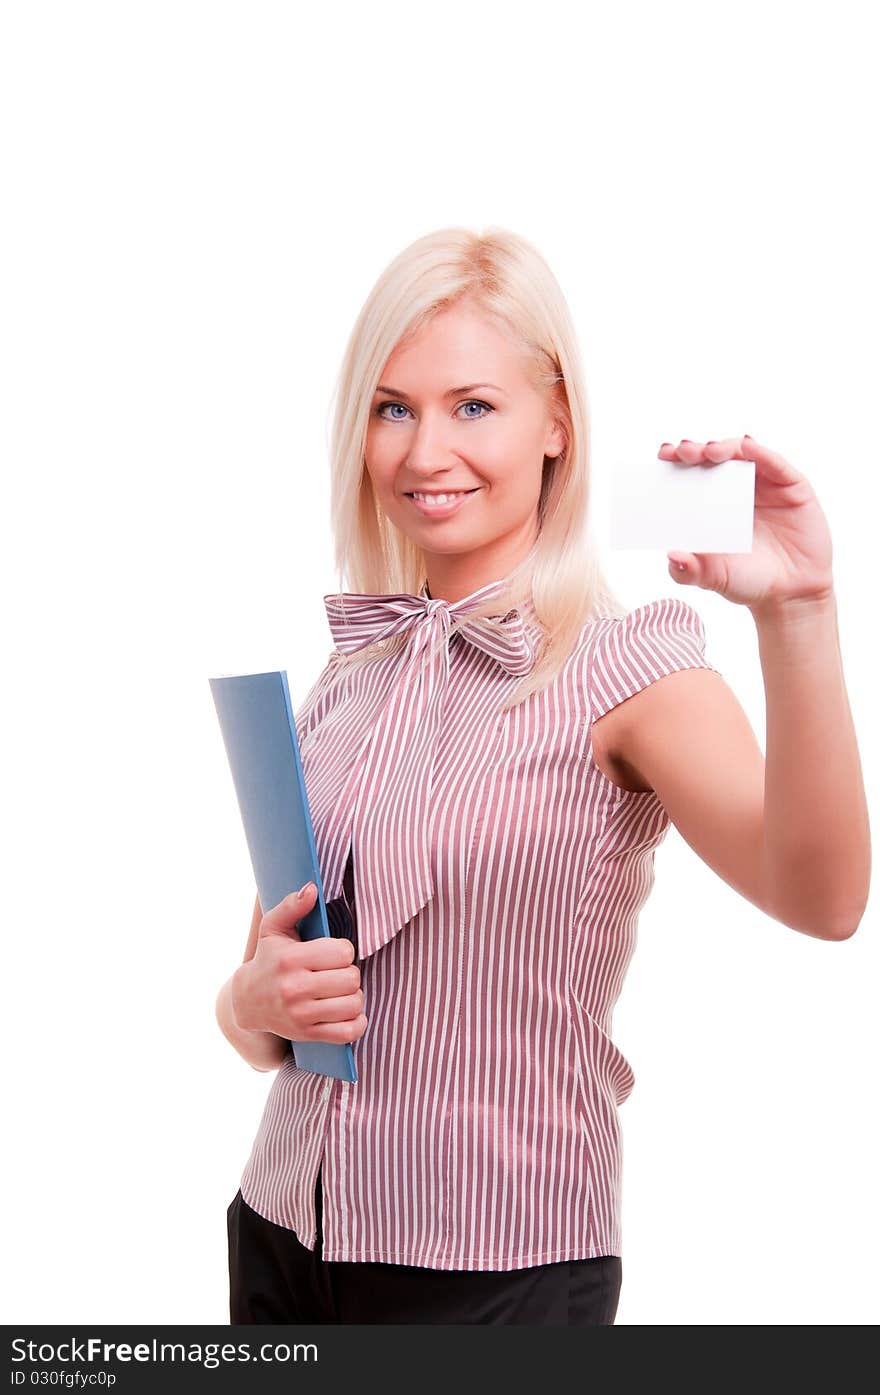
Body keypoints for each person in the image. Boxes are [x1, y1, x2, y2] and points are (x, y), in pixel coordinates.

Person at [215, 226, 870, 1326]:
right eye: (392, 408)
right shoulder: (358, 663)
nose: (426, 453)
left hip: (497, 1270)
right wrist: (248, 1002)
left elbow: (822, 897)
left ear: (556, 419)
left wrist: (796, 614)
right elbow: (266, 993)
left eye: (473, 406)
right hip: (280, 1235)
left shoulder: (629, 665)